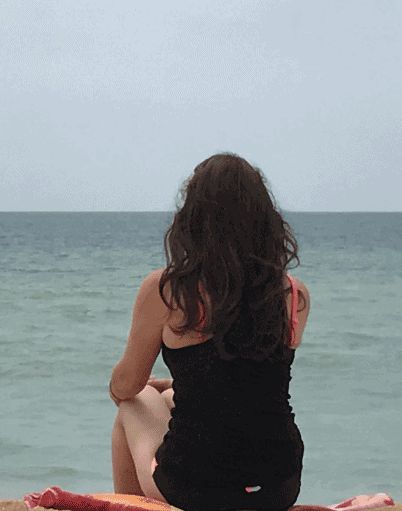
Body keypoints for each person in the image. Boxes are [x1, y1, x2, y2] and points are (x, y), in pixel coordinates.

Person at [108, 153, 310, 511]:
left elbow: (124, 385)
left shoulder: (169, 290)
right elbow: (242, 382)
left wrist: (141, 387)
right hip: (278, 486)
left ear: (192, 220)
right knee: (168, 399)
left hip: (194, 488)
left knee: (132, 403)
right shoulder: (293, 296)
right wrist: (172, 388)